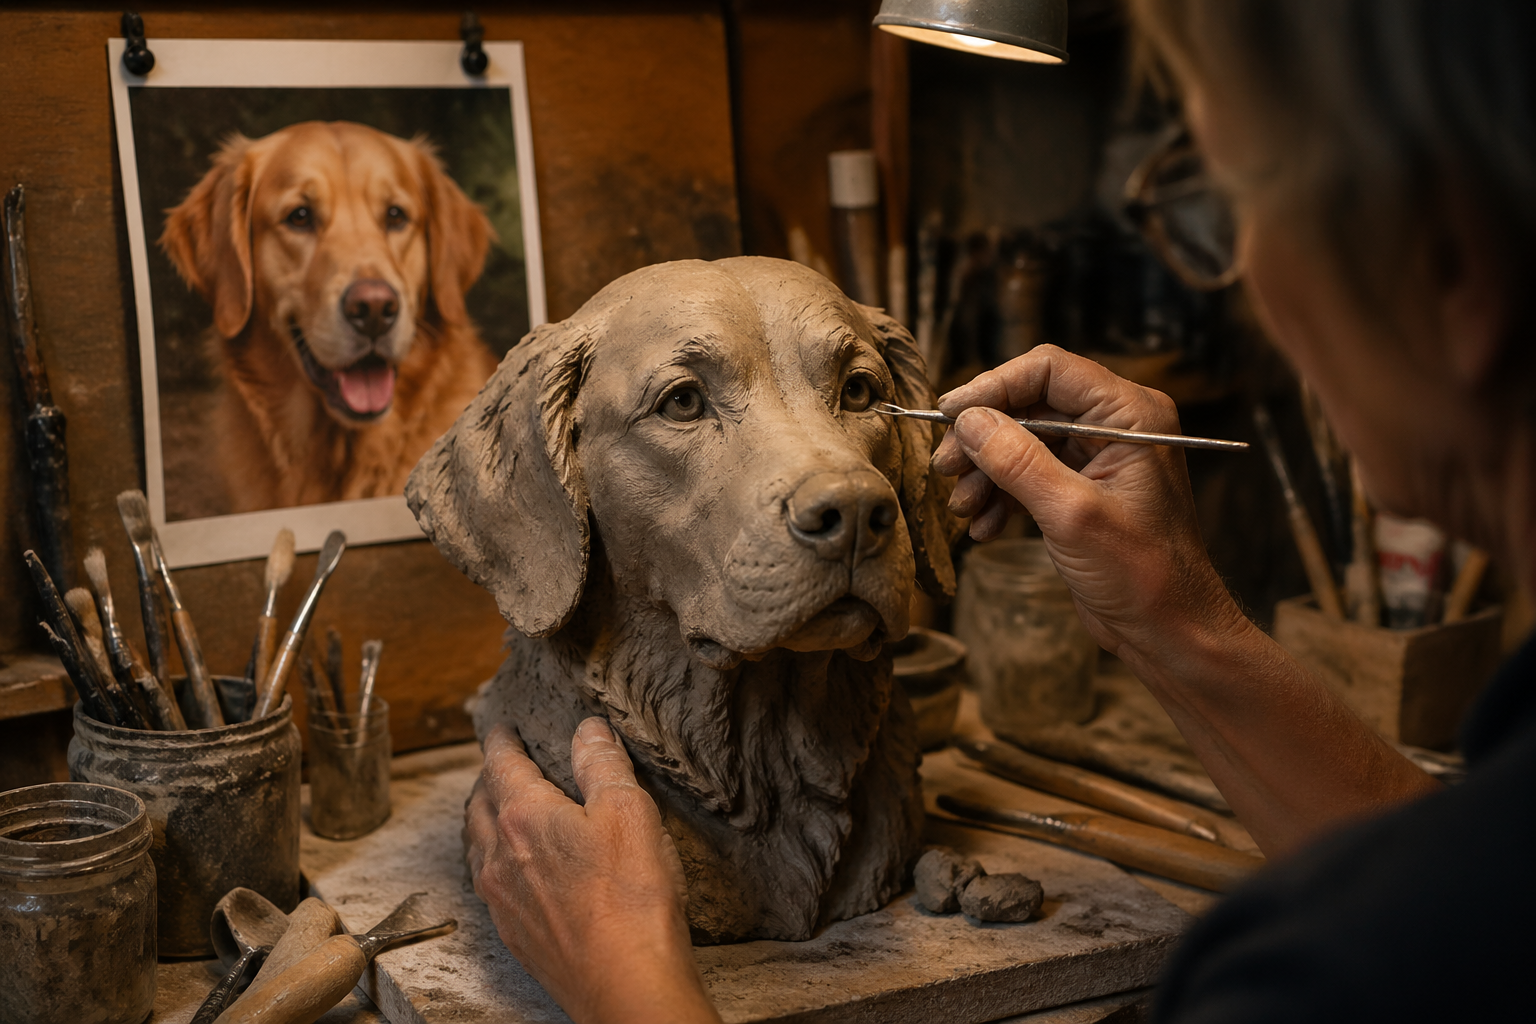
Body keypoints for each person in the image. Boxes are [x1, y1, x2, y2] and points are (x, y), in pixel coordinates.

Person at [462, 2, 1536, 1020]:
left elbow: (1434, 923)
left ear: (1448, 270)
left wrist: (627, 988)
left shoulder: (1315, 981)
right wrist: (1177, 614)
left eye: (1230, 202)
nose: (1243, 267)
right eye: (685, 403)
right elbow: (1471, 884)